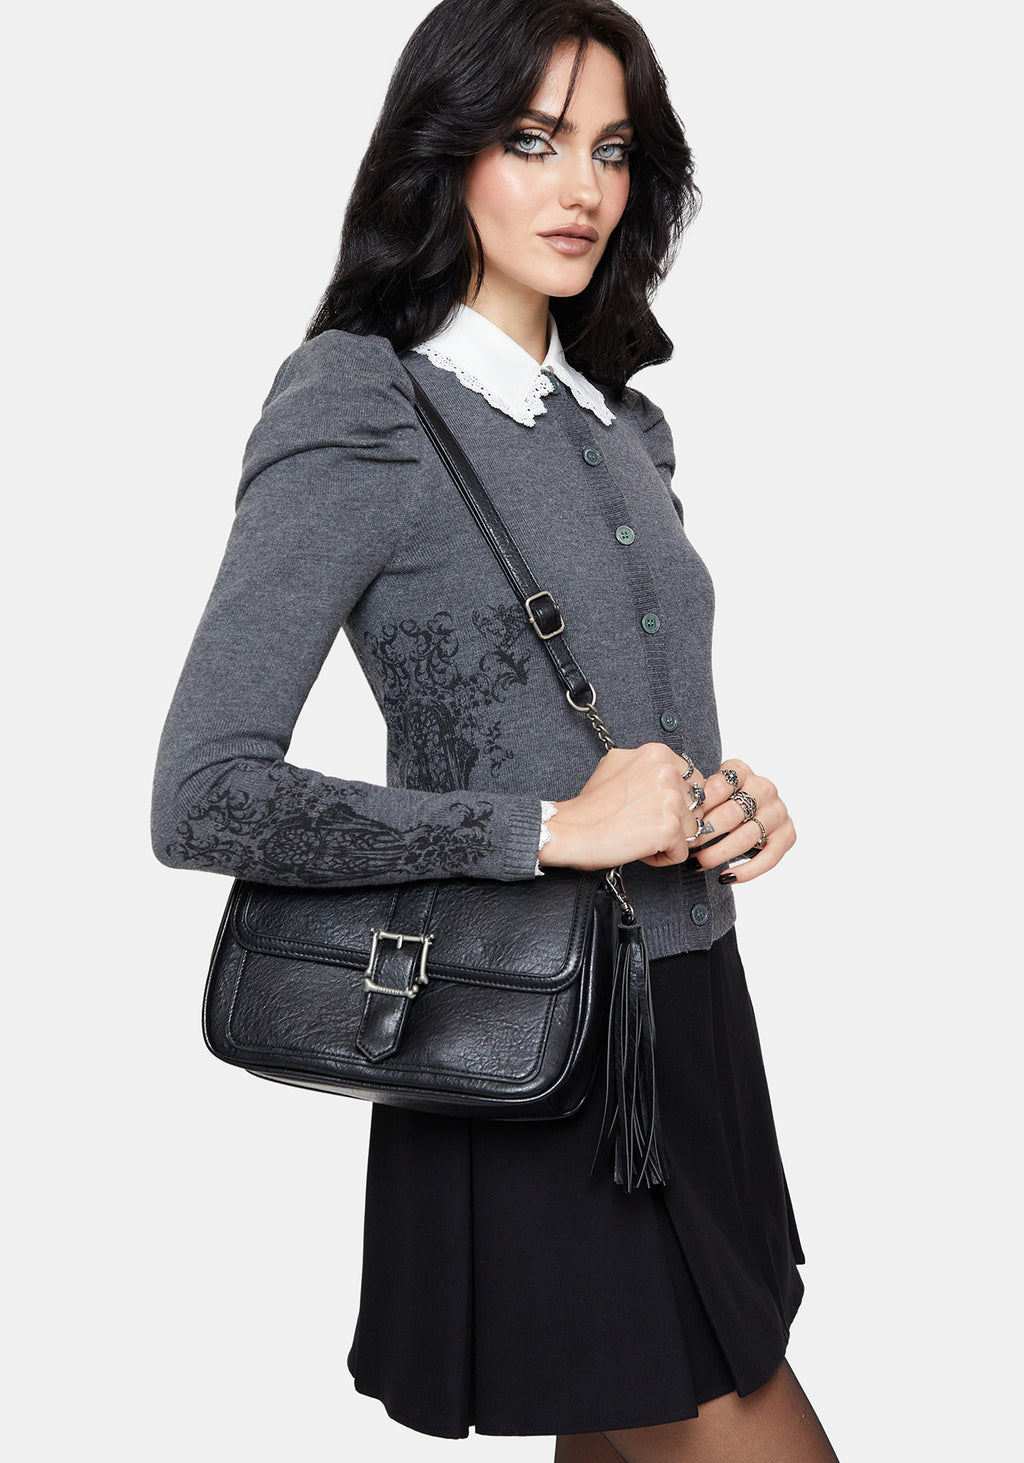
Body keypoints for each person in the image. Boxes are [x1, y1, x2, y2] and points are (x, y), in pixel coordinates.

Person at [151, 1, 839, 1457]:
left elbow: (617, 727)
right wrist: (549, 830)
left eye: (612, 150)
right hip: (524, 1033)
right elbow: (204, 794)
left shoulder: (622, 423)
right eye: (533, 142)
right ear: (445, 153)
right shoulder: (361, 402)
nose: (582, 188)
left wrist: (725, 800)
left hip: (691, 1013)